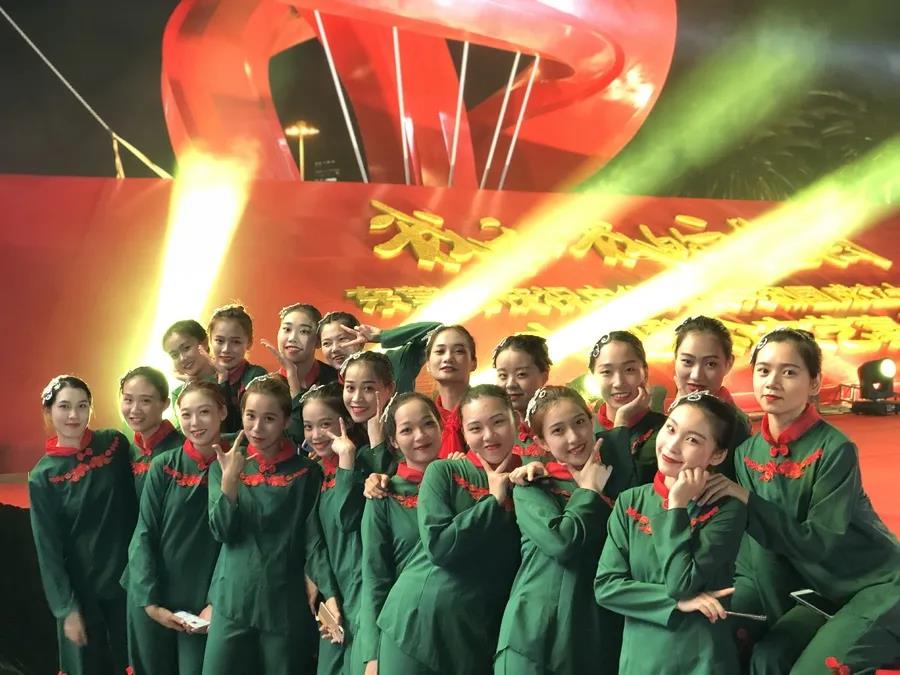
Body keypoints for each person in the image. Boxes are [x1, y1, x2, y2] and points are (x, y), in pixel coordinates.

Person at [697, 328, 900, 673]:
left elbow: (820, 542)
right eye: (764, 370)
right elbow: (763, 556)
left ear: (815, 383)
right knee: (766, 657)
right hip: (820, 591)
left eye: (789, 372)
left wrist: (748, 501)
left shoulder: (835, 450)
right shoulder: (747, 453)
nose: (772, 382)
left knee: (817, 669)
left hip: (876, 584)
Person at [374, 384, 522, 674]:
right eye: (475, 428)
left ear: (515, 419)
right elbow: (439, 545)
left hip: (474, 632)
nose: (489, 436)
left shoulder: (529, 477)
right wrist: (493, 501)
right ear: (463, 432)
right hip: (417, 621)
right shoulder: (444, 471)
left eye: (498, 422)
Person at [595, 391, 746, 675]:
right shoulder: (630, 501)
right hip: (640, 661)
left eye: (692, 440)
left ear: (718, 454)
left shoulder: (727, 510)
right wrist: (678, 603)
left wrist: (676, 505)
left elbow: (682, 583)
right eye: (671, 428)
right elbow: (606, 587)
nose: (672, 446)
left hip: (702, 661)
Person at [203, 374, 340, 675]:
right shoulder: (223, 465)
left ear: (285, 421)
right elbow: (222, 532)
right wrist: (229, 482)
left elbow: (313, 540)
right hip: (231, 598)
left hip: (284, 601)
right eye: (250, 416)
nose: (257, 427)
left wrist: (328, 593)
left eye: (269, 418)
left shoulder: (307, 472)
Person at [495, 386, 622, 674]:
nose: (574, 437)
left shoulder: (618, 483)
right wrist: (588, 492)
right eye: (558, 430)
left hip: (590, 640)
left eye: (579, 422)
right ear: (541, 441)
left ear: (592, 421)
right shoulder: (532, 485)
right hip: (532, 640)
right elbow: (562, 543)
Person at [29, 375, 136, 675]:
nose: (74, 415)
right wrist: (66, 609)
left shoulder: (114, 444)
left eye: (82, 405)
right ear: (48, 411)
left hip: (128, 581)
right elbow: (48, 549)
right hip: (82, 590)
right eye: (64, 406)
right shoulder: (43, 475)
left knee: (134, 661)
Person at [124, 381, 226, 674]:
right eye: (186, 414)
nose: (195, 423)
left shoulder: (237, 465)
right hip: (151, 592)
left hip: (204, 600)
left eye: (204, 412)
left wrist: (216, 601)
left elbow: (236, 542)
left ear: (222, 412)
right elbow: (144, 532)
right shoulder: (163, 465)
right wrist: (150, 602)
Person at [358, 393, 444, 675]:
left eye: (428, 424)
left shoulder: (464, 484)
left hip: (459, 630)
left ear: (441, 425)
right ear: (393, 441)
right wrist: (372, 654)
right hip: (402, 632)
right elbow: (375, 576)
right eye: (407, 430)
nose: (420, 436)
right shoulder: (383, 495)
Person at [673, 316, 751, 479]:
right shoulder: (664, 407)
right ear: (675, 359)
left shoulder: (733, 424)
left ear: (728, 363)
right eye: (687, 361)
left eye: (710, 364)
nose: (696, 375)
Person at [590, 331, 667, 485]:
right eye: (606, 372)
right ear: (593, 377)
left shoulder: (667, 432)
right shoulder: (583, 428)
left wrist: (621, 420)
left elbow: (622, 489)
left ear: (645, 373)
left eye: (629, 370)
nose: (619, 382)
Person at [261, 303, 338, 443]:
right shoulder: (266, 388)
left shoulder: (335, 380)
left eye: (304, 331)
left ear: (318, 341)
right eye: (287, 329)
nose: (292, 338)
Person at [318, 311, 440, 395]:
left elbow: (436, 331)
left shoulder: (392, 363)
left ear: (360, 342)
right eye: (327, 343)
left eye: (342, 339)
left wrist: (382, 336)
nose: (335, 349)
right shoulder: (326, 387)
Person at [120, 366, 184, 496]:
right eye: (128, 400)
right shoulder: (126, 450)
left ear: (165, 404)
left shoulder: (182, 450)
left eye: (145, 401)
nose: (135, 409)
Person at [207, 304, 267, 433]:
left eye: (235, 342)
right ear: (210, 340)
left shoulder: (257, 377)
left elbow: (235, 428)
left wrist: (223, 381)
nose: (226, 349)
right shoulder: (205, 381)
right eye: (219, 341)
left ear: (249, 343)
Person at [492, 334, 551, 459]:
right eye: (503, 375)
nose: (510, 384)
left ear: (544, 376)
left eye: (521, 374)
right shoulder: (491, 429)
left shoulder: (563, 421)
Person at [424, 325, 477, 458]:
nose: (448, 358)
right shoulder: (421, 417)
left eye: (459, 351)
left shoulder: (488, 410)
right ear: (428, 365)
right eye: (440, 351)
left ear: (473, 362)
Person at [162, 319, 217, 427]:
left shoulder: (230, 377)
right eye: (174, 355)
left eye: (186, 348)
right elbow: (185, 432)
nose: (182, 358)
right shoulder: (179, 393)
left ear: (204, 343)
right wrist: (190, 383)